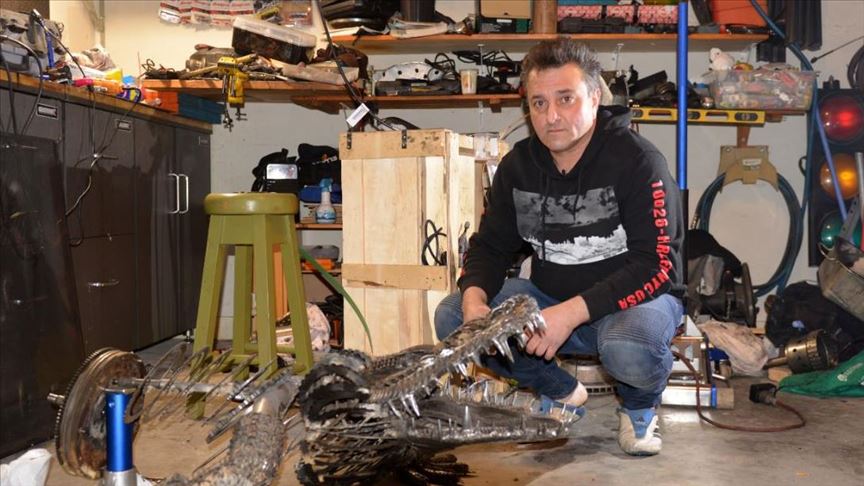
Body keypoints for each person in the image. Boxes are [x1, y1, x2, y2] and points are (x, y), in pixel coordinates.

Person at [434, 39, 685, 456]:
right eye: (539, 103)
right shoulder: (518, 166)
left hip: (631, 306)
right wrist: (475, 301)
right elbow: (490, 247)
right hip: (549, 300)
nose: (551, 116)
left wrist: (570, 314)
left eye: (566, 99)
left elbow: (658, 266)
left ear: (595, 97)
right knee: (453, 316)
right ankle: (561, 391)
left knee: (629, 345)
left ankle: (639, 405)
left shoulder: (638, 161)